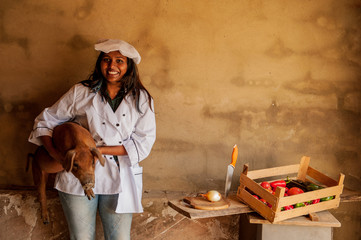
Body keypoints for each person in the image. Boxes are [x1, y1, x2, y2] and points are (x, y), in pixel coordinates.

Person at [28, 39, 156, 240]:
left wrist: (99, 152)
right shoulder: (81, 92)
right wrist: (57, 155)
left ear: (129, 66)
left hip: (119, 175)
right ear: (100, 64)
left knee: (119, 238)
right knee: (81, 237)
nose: (112, 66)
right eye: (107, 60)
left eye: (119, 61)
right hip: (77, 174)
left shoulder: (141, 99)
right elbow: (44, 122)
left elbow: (143, 143)